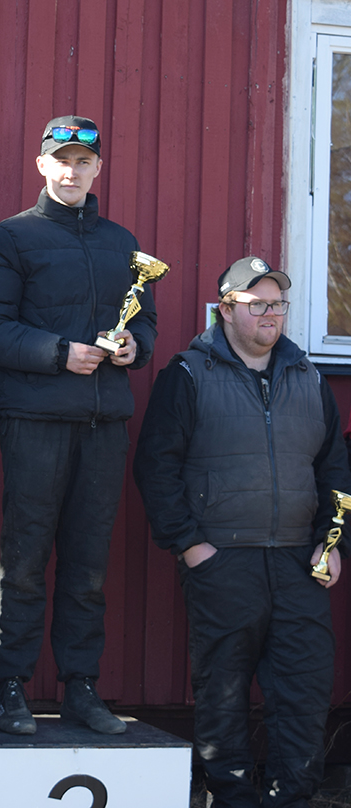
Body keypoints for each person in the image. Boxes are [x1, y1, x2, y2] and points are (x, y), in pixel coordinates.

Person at [134, 257, 349, 808]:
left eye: (277, 303)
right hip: (223, 562)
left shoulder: (309, 377)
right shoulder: (187, 374)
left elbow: (335, 471)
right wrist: (191, 546)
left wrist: (333, 543)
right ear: (226, 310)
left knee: (303, 693)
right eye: (257, 304)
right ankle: (230, 798)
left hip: (300, 565)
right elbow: (156, 468)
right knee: (222, 694)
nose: (270, 313)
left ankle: (291, 799)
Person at [0, 115, 156, 736]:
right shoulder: (9, 239)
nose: (72, 171)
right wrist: (59, 354)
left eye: (83, 161)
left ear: (98, 167)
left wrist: (135, 347)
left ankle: (81, 687)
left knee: (89, 564)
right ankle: (10, 686)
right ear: (41, 164)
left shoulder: (123, 244)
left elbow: (144, 322)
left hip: (104, 423)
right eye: (61, 159)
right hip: (35, 420)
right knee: (24, 558)